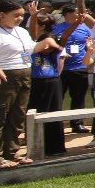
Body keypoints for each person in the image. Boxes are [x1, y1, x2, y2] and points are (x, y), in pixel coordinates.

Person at [0, 0, 58, 167]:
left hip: (24, 77)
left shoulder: (21, 32)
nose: (19, 18)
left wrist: (45, 43)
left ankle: (12, 152)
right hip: (4, 78)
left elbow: (30, 49)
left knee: (17, 116)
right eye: (15, 15)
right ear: (1, 15)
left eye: (21, 15)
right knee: (0, 117)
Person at [51, 0, 93, 135]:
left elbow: (89, 45)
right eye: (76, 12)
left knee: (79, 97)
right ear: (67, 14)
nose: (79, 15)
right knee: (58, 97)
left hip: (79, 67)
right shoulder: (57, 29)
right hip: (61, 69)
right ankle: (55, 123)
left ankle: (77, 123)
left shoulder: (84, 28)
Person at [29, 24, 65, 156]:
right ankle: (37, 148)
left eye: (50, 47)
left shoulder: (57, 53)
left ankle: (56, 148)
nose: (47, 49)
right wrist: (33, 17)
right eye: (45, 45)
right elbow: (32, 35)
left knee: (55, 113)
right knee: (37, 114)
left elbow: (63, 41)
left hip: (54, 84)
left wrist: (55, 47)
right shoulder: (32, 51)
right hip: (36, 84)